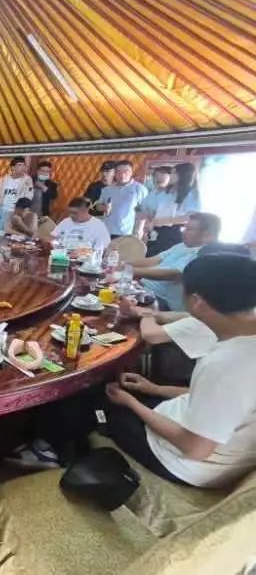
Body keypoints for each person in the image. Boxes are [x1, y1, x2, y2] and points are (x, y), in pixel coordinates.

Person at [103, 254, 256, 488]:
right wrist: (154, 388)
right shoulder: (239, 335)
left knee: (99, 402)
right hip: (203, 434)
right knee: (129, 391)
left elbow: (196, 449)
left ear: (196, 302)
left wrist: (131, 403)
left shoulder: (225, 366)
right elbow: (216, 401)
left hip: (186, 465)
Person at [128, 212, 220, 311]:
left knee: (120, 300)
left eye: (189, 229)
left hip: (162, 301)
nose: (183, 232)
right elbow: (153, 261)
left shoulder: (204, 254)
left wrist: (128, 270)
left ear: (207, 235)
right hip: (144, 289)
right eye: (184, 228)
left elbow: (173, 274)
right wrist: (122, 263)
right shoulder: (181, 246)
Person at [139, 163, 201, 256]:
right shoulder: (167, 192)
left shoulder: (191, 193)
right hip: (157, 230)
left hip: (175, 231)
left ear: (183, 175)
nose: (171, 176)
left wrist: (166, 220)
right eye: (171, 173)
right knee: (150, 255)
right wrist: (150, 223)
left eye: (174, 173)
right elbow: (154, 212)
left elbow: (192, 216)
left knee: (166, 257)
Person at [98, 160, 149, 237]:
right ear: (115, 174)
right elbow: (98, 206)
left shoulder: (139, 189)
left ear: (131, 172)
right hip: (108, 231)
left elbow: (143, 211)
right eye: (118, 171)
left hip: (128, 233)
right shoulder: (107, 190)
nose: (122, 174)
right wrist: (104, 207)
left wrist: (139, 229)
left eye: (126, 171)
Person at [46, 197, 111, 251]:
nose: (71, 215)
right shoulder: (66, 222)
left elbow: (103, 248)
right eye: (70, 212)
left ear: (85, 210)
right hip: (62, 257)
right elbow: (52, 237)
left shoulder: (98, 225)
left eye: (74, 213)